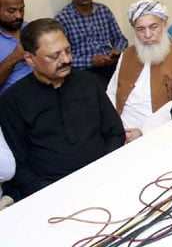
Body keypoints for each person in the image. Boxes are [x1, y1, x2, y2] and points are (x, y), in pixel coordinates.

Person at [0, 18, 124, 198]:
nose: (66, 59)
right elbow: (19, 166)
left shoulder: (88, 82)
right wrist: (52, 193)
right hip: (49, 191)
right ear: (30, 59)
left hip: (103, 177)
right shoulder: (13, 101)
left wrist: (103, 171)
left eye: (68, 50)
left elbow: (115, 133)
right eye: (54, 56)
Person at [106, 0, 172, 143]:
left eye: (153, 27)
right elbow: (111, 93)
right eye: (140, 29)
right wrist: (112, 127)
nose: (148, 35)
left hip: (155, 131)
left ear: (164, 25)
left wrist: (142, 131)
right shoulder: (127, 54)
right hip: (119, 128)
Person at [55, 0, 128, 88]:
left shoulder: (104, 11)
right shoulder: (62, 19)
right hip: (84, 70)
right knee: (101, 88)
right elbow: (61, 57)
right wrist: (91, 61)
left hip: (110, 64)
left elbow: (120, 39)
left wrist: (117, 51)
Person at [0, 0, 32, 94]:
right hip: (14, 99)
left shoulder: (31, 29)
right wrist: (14, 58)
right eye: (11, 11)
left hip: (44, 91)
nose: (18, 16)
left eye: (21, 10)